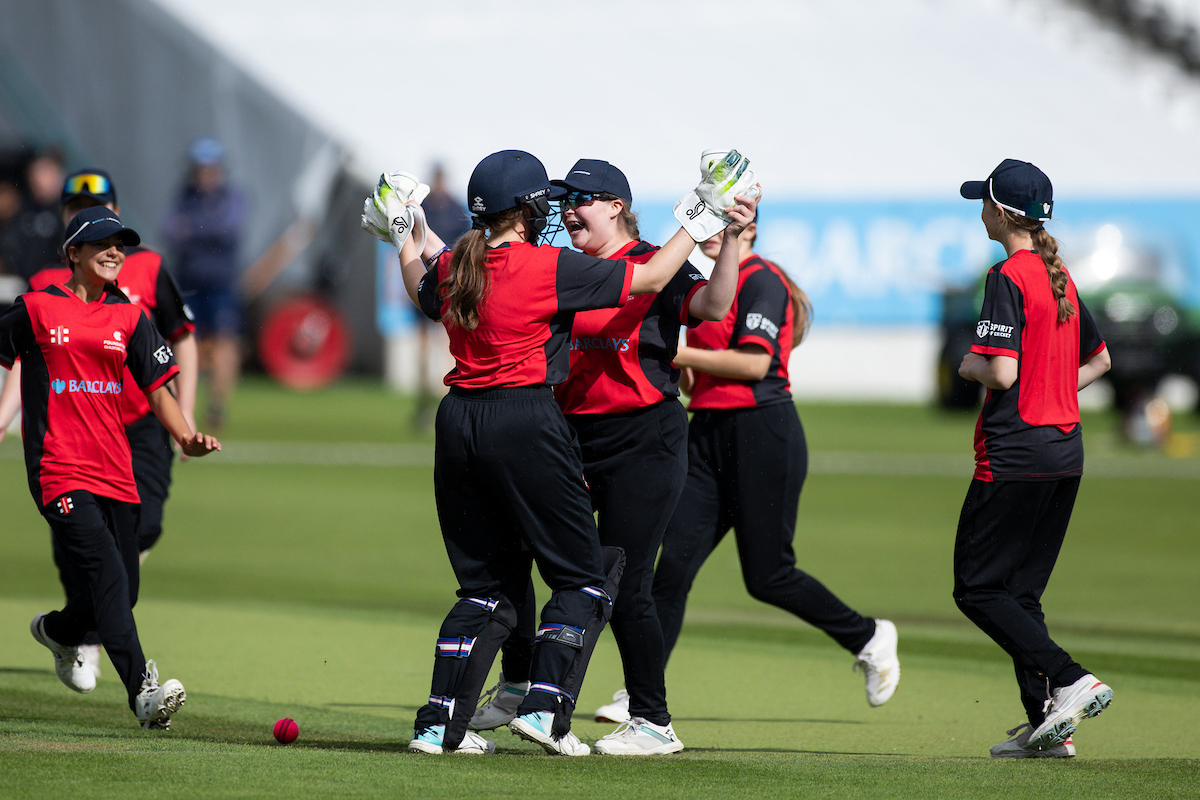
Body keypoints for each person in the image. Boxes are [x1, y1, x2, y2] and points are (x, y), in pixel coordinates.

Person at [363, 148, 755, 756]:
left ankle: (439, 727)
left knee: (483, 586)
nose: (561, 208)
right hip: (528, 420)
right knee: (583, 574)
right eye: (550, 200)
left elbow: (421, 282)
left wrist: (403, 227)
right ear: (527, 208)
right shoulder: (547, 267)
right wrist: (702, 213)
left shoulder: (461, 264)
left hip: (460, 422)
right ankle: (545, 708)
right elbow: (649, 279)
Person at [635, 208, 901, 725]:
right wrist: (681, 362)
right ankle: (641, 694)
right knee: (671, 570)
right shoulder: (704, 289)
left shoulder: (763, 281)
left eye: (725, 225)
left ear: (749, 228)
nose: (711, 236)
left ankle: (869, 636)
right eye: (705, 225)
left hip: (763, 432)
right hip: (707, 435)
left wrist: (676, 353)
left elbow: (755, 364)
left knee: (769, 576)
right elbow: (694, 377)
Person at [0, 206, 220, 729]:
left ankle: (58, 630)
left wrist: (185, 436)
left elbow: (158, 389)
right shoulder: (35, 308)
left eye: (120, 243)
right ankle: (144, 694)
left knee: (122, 591)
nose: (114, 251)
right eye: (101, 243)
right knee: (106, 575)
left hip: (115, 471)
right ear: (72, 253)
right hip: (59, 469)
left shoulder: (130, 318)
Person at [954, 159, 1113, 758]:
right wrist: (1049, 389)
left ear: (1001, 212)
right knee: (1020, 593)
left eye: (984, 204)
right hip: (1064, 452)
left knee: (977, 589)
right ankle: (1048, 727)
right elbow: (1099, 361)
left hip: (1016, 453)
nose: (982, 213)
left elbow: (999, 368)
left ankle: (1069, 679)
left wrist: (970, 366)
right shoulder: (1059, 276)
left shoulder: (1009, 275)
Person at [161, 137, 246, 432]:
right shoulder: (183, 196)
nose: (205, 175)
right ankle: (186, 404)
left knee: (225, 343)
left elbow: (228, 228)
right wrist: (203, 229)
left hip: (222, 283)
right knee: (186, 343)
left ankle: (217, 407)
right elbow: (170, 231)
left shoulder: (232, 196)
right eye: (200, 169)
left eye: (210, 169)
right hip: (188, 282)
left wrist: (193, 229)